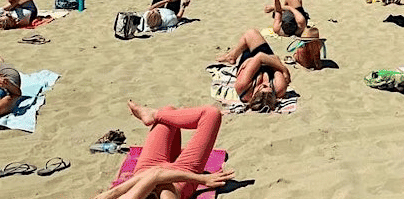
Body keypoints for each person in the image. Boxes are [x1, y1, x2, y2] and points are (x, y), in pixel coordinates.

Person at [93, 101, 235, 199]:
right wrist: (203, 179)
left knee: (169, 112)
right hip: (180, 175)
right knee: (212, 114)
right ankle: (155, 114)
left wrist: (111, 194)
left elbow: (152, 176)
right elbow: (157, 175)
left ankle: (155, 115)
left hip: (146, 170)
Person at [215, 28, 292, 112]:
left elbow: (261, 57)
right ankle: (232, 56)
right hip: (264, 63)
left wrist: (281, 67)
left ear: (253, 94)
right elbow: (276, 61)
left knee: (250, 34)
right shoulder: (279, 88)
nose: (266, 84)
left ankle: (232, 56)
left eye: (263, 86)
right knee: (252, 38)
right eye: (269, 87)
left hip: (251, 62)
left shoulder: (243, 86)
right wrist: (281, 68)